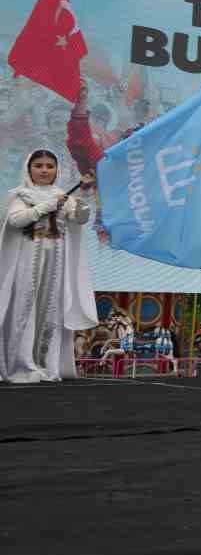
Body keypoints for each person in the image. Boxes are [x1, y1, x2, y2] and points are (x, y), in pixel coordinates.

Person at [0, 150, 97, 382]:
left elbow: (79, 218)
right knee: (24, 307)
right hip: (26, 261)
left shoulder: (64, 197)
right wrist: (47, 205)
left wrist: (83, 195)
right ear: (29, 168)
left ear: (57, 170)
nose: (44, 170)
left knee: (50, 310)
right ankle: (20, 366)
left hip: (55, 263)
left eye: (49, 166)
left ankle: (44, 364)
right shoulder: (19, 195)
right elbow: (16, 220)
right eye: (38, 165)